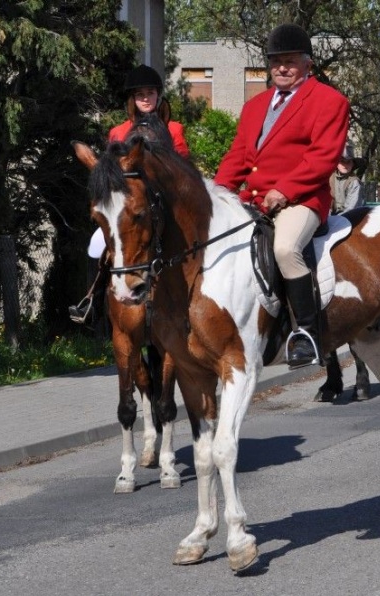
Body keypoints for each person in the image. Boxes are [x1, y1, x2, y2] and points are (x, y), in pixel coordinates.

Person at [212, 24, 350, 369]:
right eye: (276, 63)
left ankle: (306, 333)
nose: (282, 68)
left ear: (308, 64)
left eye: (289, 62)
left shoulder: (330, 101)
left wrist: (284, 191)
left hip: (303, 199)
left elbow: (322, 157)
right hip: (256, 198)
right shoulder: (255, 106)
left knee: (285, 249)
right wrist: (216, 195)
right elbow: (238, 156)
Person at [69, 64, 190, 324]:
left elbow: (182, 170)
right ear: (132, 99)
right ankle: (91, 300)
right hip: (128, 208)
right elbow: (109, 175)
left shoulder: (174, 130)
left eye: (150, 93)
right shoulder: (118, 132)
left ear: (159, 96)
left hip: (162, 207)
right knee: (96, 243)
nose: (145, 98)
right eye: (140, 94)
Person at [330, 144, 363, 214]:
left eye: (348, 162)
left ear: (353, 164)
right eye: (342, 161)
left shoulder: (354, 182)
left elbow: (351, 209)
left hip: (350, 218)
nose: (345, 165)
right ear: (337, 163)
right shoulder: (330, 179)